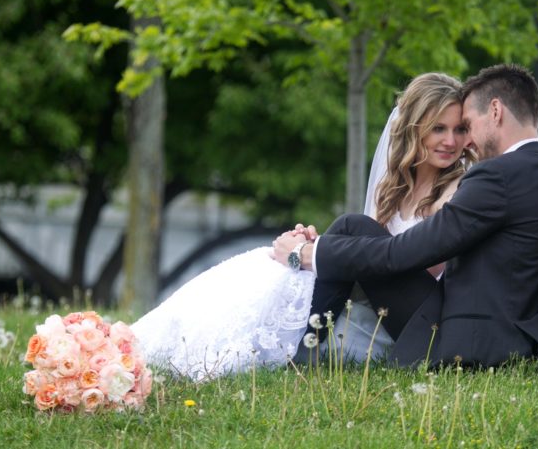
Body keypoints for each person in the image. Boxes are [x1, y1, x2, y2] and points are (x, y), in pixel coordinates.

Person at [131, 72, 473, 380]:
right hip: (383, 299)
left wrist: (320, 253)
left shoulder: (459, 188)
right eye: (438, 129)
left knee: (350, 227)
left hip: (423, 316)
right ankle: (222, 327)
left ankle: (294, 337)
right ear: (413, 130)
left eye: (459, 130)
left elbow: (406, 259)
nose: (451, 141)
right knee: (276, 264)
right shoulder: (393, 188)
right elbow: (368, 261)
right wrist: (318, 248)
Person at [273, 63, 538, 369]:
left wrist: (308, 254)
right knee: (349, 228)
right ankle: (293, 340)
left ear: (496, 111)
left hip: (465, 337)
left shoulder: (498, 176)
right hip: (498, 330)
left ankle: (294, 350)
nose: (465, 142)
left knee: (351, 227)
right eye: (440, 128)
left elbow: (408, 252)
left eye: (466, 125)